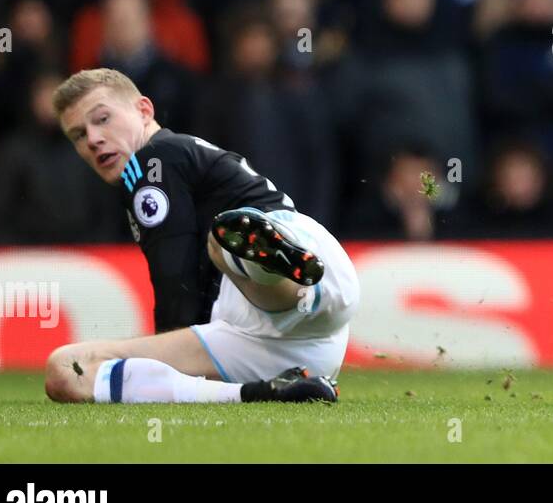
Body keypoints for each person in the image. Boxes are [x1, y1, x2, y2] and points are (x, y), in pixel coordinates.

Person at [43, 68, 359, 403]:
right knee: (66, 369)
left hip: (291, 268)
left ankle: (266, 259)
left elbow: (174, 275)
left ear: (144, 110)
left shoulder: (153, 159)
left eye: (102, 118)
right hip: (304, 345)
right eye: (78, 135)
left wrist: (165, 352)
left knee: (223, 241)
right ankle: (264, 392)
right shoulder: (178, 157)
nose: (92, 139)